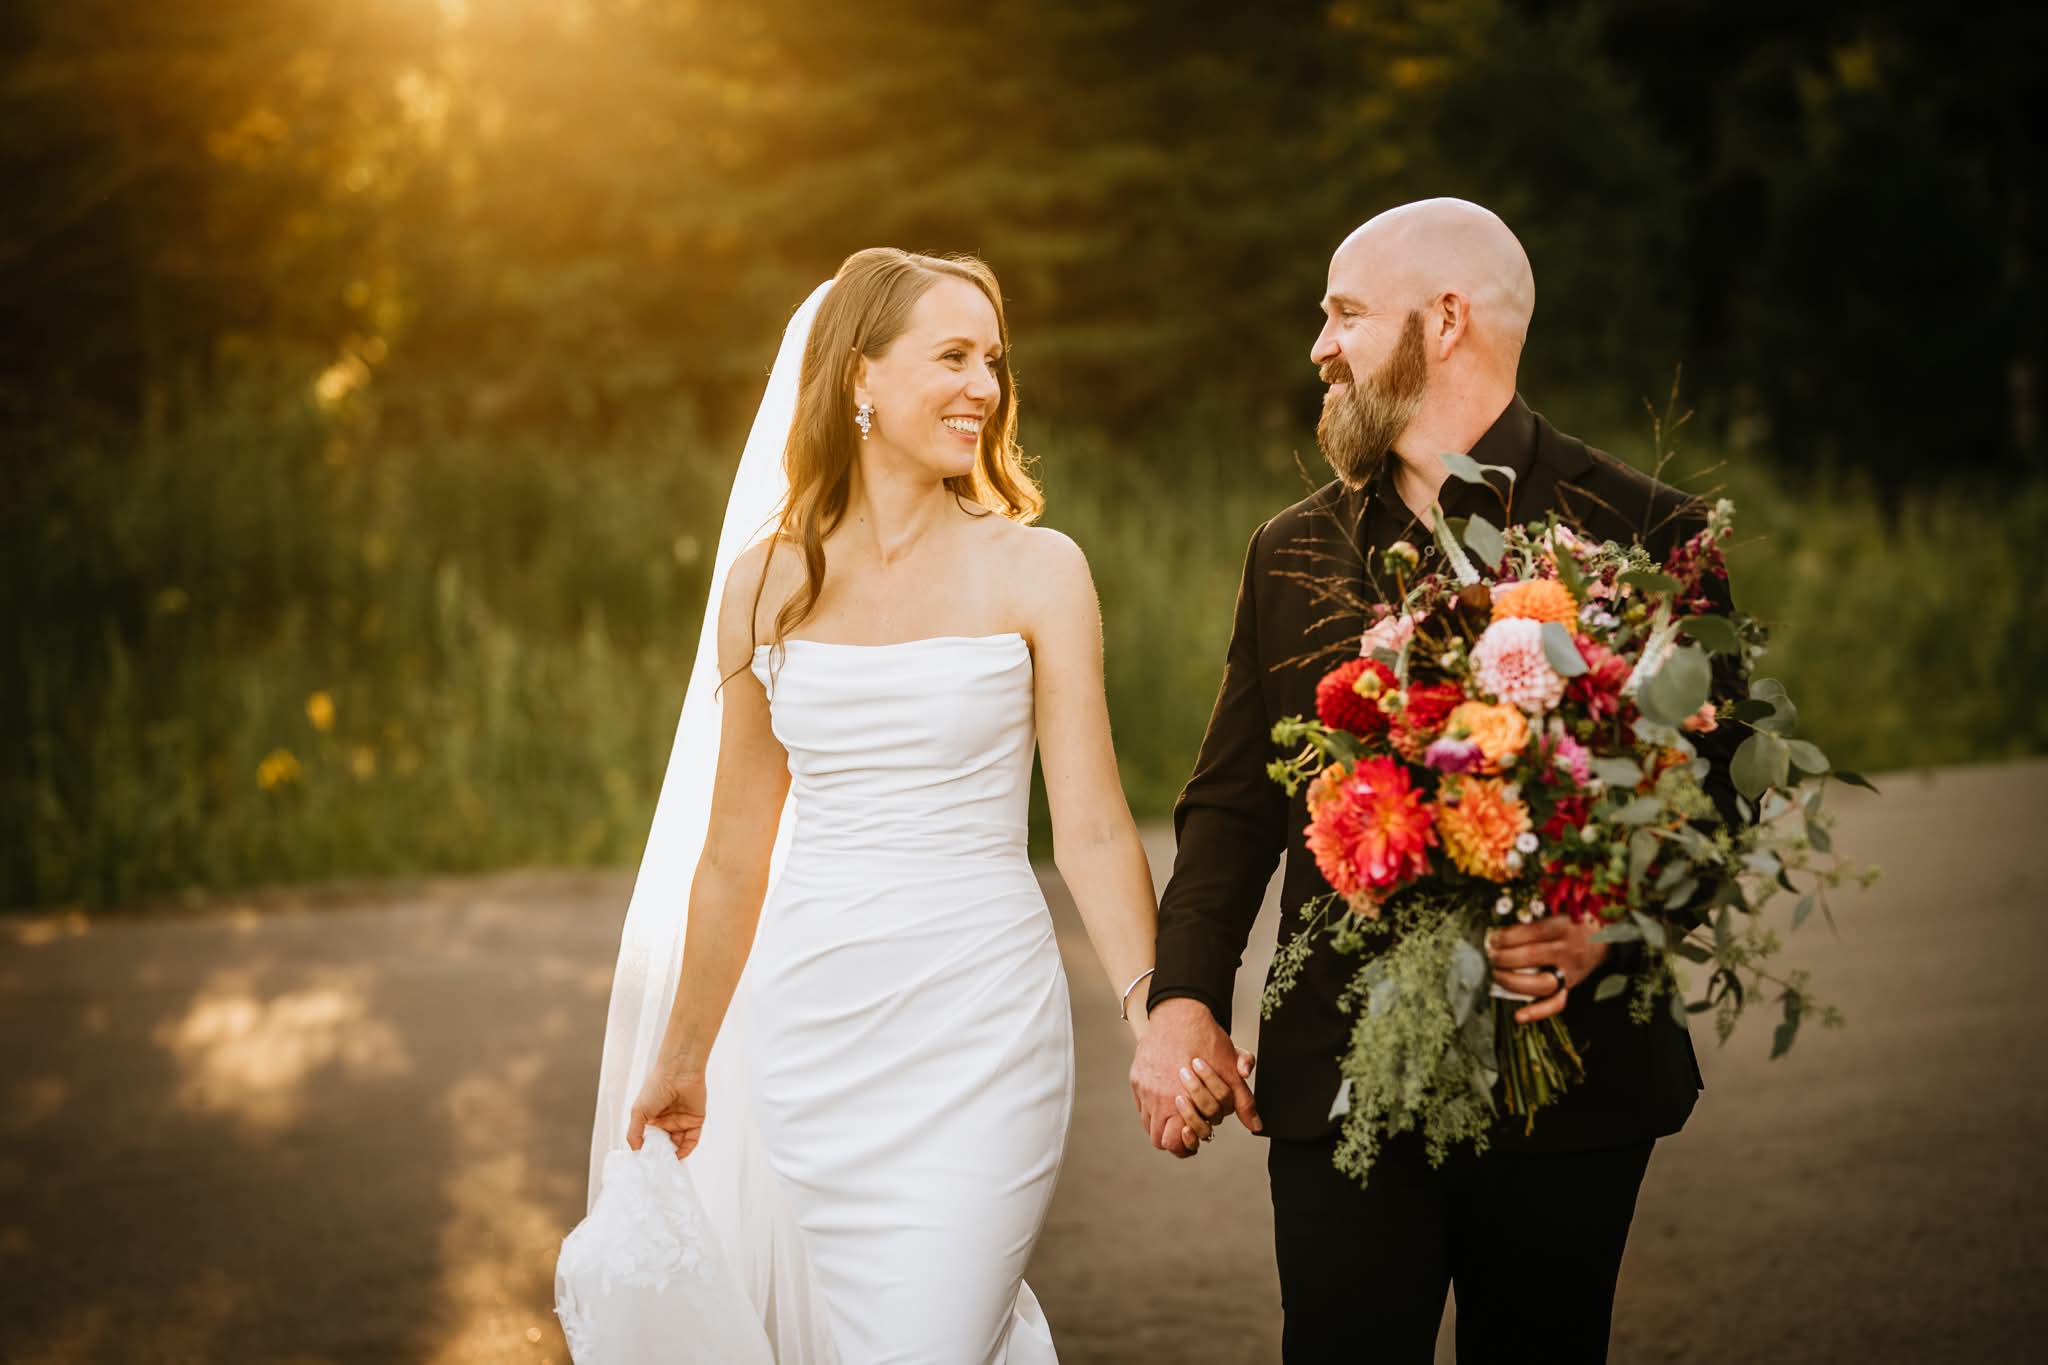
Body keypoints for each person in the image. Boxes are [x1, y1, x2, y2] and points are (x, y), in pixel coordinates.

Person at [1131, 199, 1740, 1363]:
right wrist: (1181, 1000)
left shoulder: (1645, 531)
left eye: (1344, 314)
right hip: (1342, 1078)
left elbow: (1715, 794)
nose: (1318, 346)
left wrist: (1603, 930)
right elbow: (1230, 808)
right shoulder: (1288, 548)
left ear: (1444, 320)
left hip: (1571, 1091)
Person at [554, 248, 1190, 1363]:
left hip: (983, 1024)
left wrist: (1152, 1018)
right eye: (950, 356)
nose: (983, 388)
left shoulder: (1036, 571)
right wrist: (687, 1050)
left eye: (992, 361)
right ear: (858, 378)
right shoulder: (767, 584)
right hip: (817, 1035)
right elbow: (732, 850)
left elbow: (1089, 824)